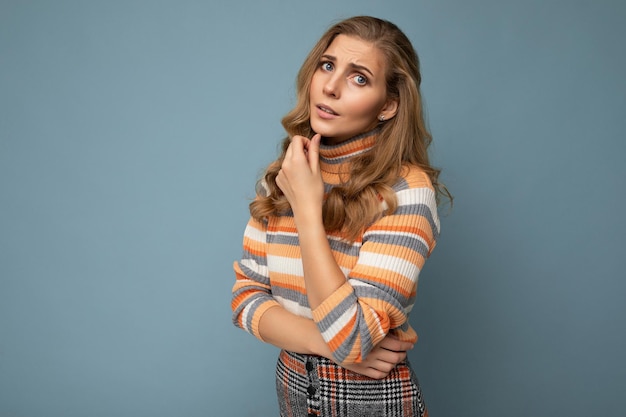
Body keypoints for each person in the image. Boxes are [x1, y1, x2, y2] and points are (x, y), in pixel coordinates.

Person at [231, 15, 450, 417]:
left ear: (388, 105)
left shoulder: (405, 191)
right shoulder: (286, 174)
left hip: (370, 402)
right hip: (294, 392)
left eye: (359, 78)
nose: (330, 87)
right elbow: (245, 301)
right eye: (327, 65)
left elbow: (352, 338)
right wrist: (322, 341)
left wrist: (308, 212)